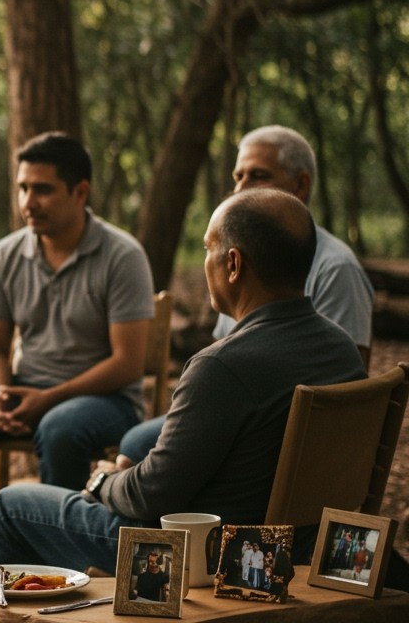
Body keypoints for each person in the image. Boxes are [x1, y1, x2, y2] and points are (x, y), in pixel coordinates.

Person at [0, 189, 365, 572]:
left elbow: (151, 497)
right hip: (302, 549)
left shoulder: (222, 367)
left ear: (233, 265)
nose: (205, 261)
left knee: (10, 506)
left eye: (207, 249)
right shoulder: (341, 349)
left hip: (203, 558)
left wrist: (104, 481)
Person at [0, 132, 154, 540]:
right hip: (27, 391)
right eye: (23, 188)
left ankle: (57, 544)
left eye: (42, 189)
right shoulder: (7, 254)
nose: (28, 201)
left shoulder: (122, 256)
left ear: (80, 192)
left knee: (58, 428)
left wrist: (48, 399)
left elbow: (127, 363)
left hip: (106, 402)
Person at [119, 125, 374, 463]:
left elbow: (346, 395)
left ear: (301, 185)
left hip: (277, 436)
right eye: (238, 176)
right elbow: (225, 358)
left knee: (138, 452)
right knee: (137, 442)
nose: (240, 188)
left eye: (258, 176)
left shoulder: (336, 268)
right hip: (235, 413)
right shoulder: (238, 269)